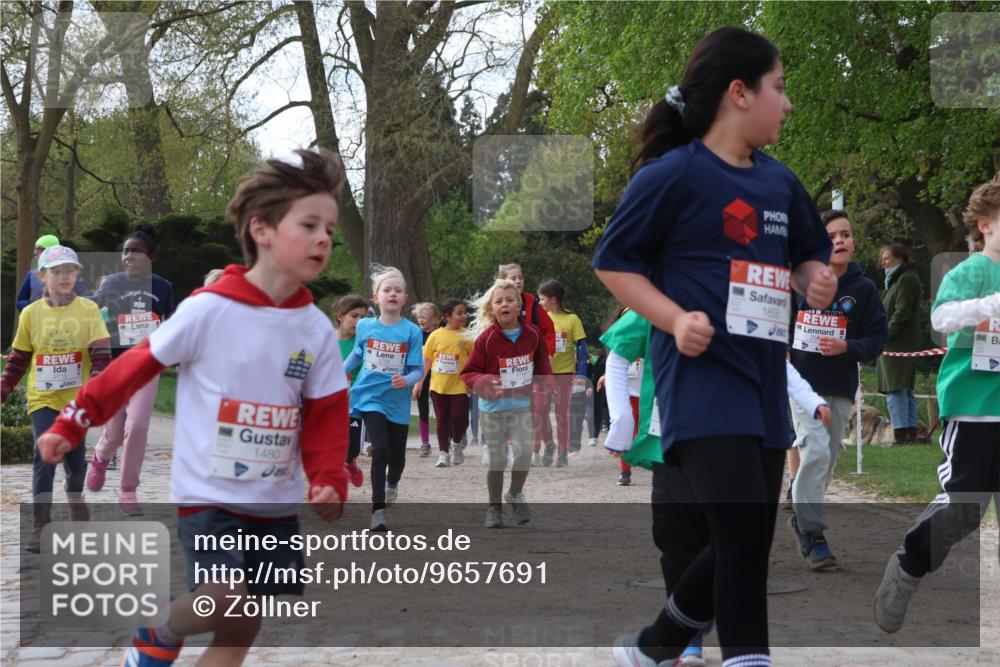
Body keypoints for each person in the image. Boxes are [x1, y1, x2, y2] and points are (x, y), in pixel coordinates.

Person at [35, 148, 351, 667]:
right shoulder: (210, 309)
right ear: (262, 229)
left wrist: (328, 475)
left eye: (330, 229)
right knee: (226, 598)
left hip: (274, 501)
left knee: (241, 629)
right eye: (309, 224)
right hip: (210, 493)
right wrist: (76, 419)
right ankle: (160, 625)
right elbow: (135, 365)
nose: (323, 238)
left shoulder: (314, 326)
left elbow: (326, 412)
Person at [592, 27, 837, 667]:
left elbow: (806, 254)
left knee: (751, 534)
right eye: (778, 89)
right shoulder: (673, 175)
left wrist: (814, 277)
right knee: (737, 529)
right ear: (738, 92)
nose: (787, 105)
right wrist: (673, 319)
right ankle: (747, 658)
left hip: (762, 386)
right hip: (701, 384)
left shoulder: (781, 183)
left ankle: (658, 643)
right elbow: (614, 263)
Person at [874, 172, 1000, 634]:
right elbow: (941, 319)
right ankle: (908, 568)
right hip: (973, 405)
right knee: (966, 506)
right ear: (984, 224)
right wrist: (989, 305)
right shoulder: (971, 270)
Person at [787, 209, 888, 570]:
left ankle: (800, 509)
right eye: (831, 236)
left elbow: (877, 339)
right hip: (802, 385)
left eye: (845, 234)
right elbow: (781, 327)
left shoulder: (864, 289)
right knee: (813, 448)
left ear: (854, 242)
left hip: (841, 387)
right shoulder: (799, 283)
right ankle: (812, 533)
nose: (840, 241)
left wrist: (847, 347)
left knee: (826, 459)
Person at [1, 246, 110, 551]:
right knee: (44, 457)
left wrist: (99, 388)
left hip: (77, 401)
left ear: (77, 274)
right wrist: (3, 390)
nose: (64, 277)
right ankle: (41, 526)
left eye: (70, 271)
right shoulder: (31, 315)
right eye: (57, 272)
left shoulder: (88, 310)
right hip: (43, 399)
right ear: (42, 276)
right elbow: (18, 361)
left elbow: (100, 356)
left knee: (75, 466)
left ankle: (75, 496)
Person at [87, 224, 175, 514]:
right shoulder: (112, 283)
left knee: (137, 426)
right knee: (113, 434)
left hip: (146, 366)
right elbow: (92, 313)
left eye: (136, 251)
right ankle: (100, 458)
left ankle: (128, 490)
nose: (129, 256)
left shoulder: (163, 287)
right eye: (125, 251)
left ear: (151, 256)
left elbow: (171, 321)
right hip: (116, 366)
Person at [462, 279, 553, 528]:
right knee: (497, 460)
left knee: (525, 452)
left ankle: (514, 493)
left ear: (519, 305)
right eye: (499, 301)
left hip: (521, 405)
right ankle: (494, 507)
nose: (505, 304)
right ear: (492, 308)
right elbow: (468, 373)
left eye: (510, 300)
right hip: (492, 410)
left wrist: (544, 382)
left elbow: (543, 363)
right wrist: (485, 380)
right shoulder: (486, 340)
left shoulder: (532, 335)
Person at [343, 266, 424, 532]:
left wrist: (407, 381)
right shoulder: (365, 325)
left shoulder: (411, 331)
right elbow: (357, 354)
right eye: (387, 290)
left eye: (397, 290)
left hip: (397, 402)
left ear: (405, 298)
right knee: (380, 448)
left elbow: (418, 370)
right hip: (368, 396)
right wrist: (338, 371)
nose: (392, 294)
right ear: (376, 297)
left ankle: (392, 484)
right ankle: (377, 511)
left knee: (397, 460)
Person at [535, 279, 588, 467]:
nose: (539, 302)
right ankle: (549, 443)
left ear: (554, 300)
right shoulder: (540, 319)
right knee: (539, 410)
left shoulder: (572, 319)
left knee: (562, 413)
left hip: (565, 373)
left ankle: (562, 452)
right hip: (544, 374)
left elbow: (582, 348)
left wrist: (582, 373)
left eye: (542, 299)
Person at [875, 243, 924, 443]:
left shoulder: (905, 279)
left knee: (894, 387)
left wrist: (885, 334)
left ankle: (900, 434)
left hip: (898, 342)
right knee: (903, 388)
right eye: (883, 258)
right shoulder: (898, 279)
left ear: (900, 258)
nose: (883, 262)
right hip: (899, 341)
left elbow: (903, 311)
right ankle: (910, 432)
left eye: (887, 257)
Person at [417, 299, 472, 467]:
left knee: (460, 418)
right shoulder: (435, 335)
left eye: (465, 313)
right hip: (439, 386)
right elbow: (426, 361)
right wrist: (419, 382)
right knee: (442, 419)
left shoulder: (468, 336)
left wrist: (473, 380)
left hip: (460, 386)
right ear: (447, 316)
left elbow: (473, 359)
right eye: (459, 313)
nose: (464, 316)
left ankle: (456, 443)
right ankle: (443, 453)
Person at [333, 293, 370, 488]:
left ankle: (351, 462)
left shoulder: (362, 343)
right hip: (329, 403)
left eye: (363, 317)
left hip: (354, 402)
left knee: (352, 449)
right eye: (354, 316)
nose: (359, 321)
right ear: (340, 316)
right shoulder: (326, 340)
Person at [15, 234, 92, 311]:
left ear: (54, 252)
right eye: (35, 249)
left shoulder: (70, 275)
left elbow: (85, 296)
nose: (35, 252)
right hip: (38, 319)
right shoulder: (31, 275)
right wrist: (33, 307)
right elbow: (20, 301)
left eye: (40, 249)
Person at [411, 302, 440, 455]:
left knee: (440, 409)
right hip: (420, 376)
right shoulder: (416, 335)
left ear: (434, 319)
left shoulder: (440, 333)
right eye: (419, 317)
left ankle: (447, 439)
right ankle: (425, 443)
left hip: (439, 376)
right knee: (423, 409)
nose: (421, 320)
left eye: (425, 317)